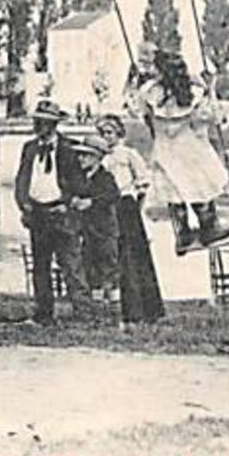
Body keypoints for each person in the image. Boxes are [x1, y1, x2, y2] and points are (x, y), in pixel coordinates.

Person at [140, 51, 229, 255]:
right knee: (201, 187)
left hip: (165, 151)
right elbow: (214, 117)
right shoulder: (192, 94)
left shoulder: (150, 93)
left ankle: (182, 233)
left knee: (174, 194)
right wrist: (211, 89)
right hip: (191, 150)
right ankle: (209, 228)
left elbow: (141, 112)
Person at [12, 99, 90, 325]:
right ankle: (43, 314)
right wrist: (23, 204)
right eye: (37, 121)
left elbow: (80, 183)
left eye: (44, 122)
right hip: (38, 213)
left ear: (54, 124)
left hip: (62, 212)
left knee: (71, 264)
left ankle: (83, 313)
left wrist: (67, 203)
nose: (39, 126)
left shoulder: (70, 149)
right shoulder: (29, 148)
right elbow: (21, 179)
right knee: (41, 265)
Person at [95, 113, 165, 327]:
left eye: (110, 133)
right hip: (107, 207)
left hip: (127, 206)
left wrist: (136, 205)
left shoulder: (128, 154)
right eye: (103, 133)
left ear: (119, 133)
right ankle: (123, 308)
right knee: (115, 257)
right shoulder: (101, 157)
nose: (106, 137)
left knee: (135, 257)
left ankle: (147, 309)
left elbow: (143, 182)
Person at [68, 137, 120, 306]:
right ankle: (97, 297)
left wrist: (91, 202)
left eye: (85, 155)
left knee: (108, 263)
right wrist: (74, 200)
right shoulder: (81, 178)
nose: (80, 159)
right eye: (79, 155)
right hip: (87, 229)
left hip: (105, 229)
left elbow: (112, 195)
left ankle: (113, 297)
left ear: (97, 157)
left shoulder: (105, 177)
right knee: (90, 261)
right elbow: (73, 192)